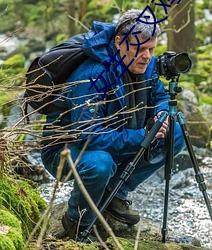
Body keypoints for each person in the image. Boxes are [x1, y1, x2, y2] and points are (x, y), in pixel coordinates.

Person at [41, 9, 185, 241]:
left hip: (117, 137)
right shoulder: (92, 76)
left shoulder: (145, 64)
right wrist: (142, 135)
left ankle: (115, 193)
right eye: (140, 48)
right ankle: (76, 221)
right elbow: (87, 135)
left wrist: (161, 114)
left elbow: (159, 96)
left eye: (151, 49)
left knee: (175, 132)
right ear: (119, 43)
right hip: (67, 150)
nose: (147, 56)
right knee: (100, 164)